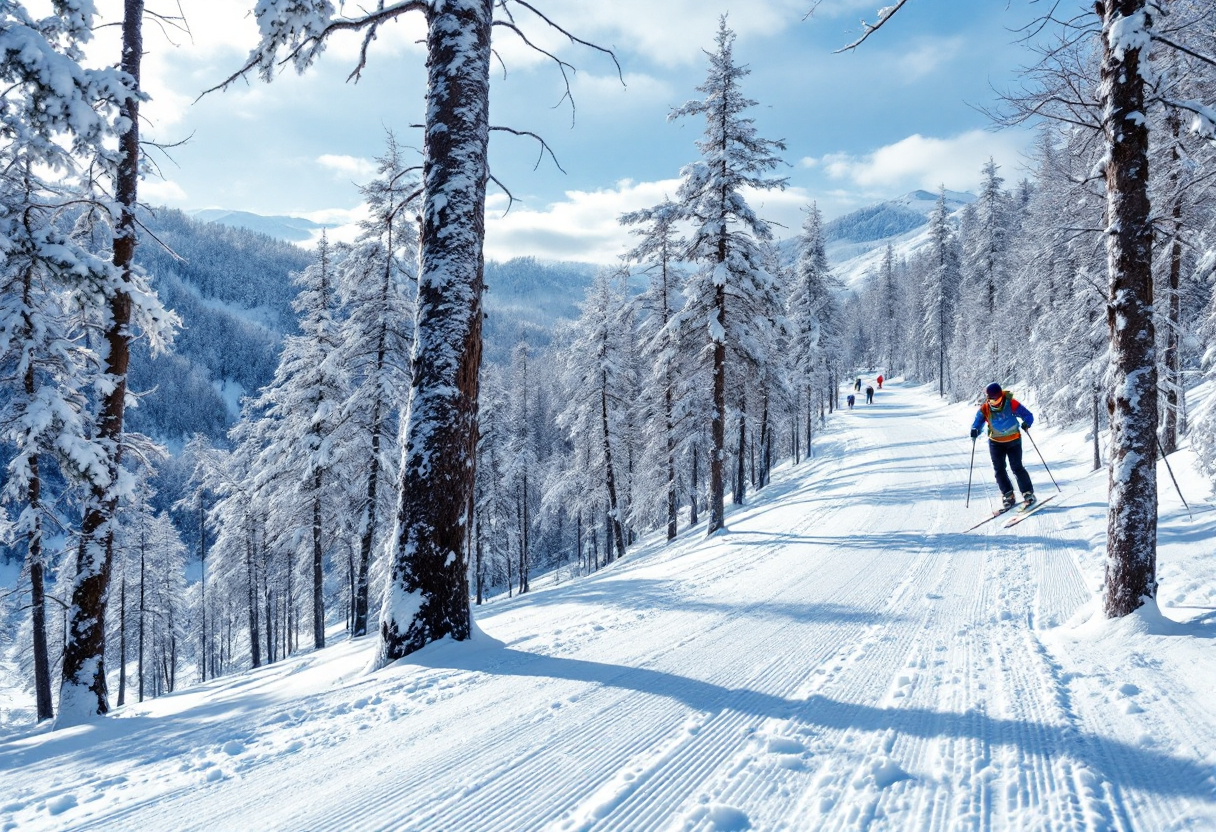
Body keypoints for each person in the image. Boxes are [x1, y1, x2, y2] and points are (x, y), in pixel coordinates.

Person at [970, 382, 1035, 509]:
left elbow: (1027, 415)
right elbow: (977, 422)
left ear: (1001, 396)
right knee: (999, 469)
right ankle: (1008, 495)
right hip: (996, 442)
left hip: (1013, 440)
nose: (994, 402)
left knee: (1017, 467)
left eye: (996, 398)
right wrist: (974, 430)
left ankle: (1028, 493)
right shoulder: (985, 408)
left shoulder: (1010, 403)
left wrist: (1027, 423)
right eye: (991, 399)